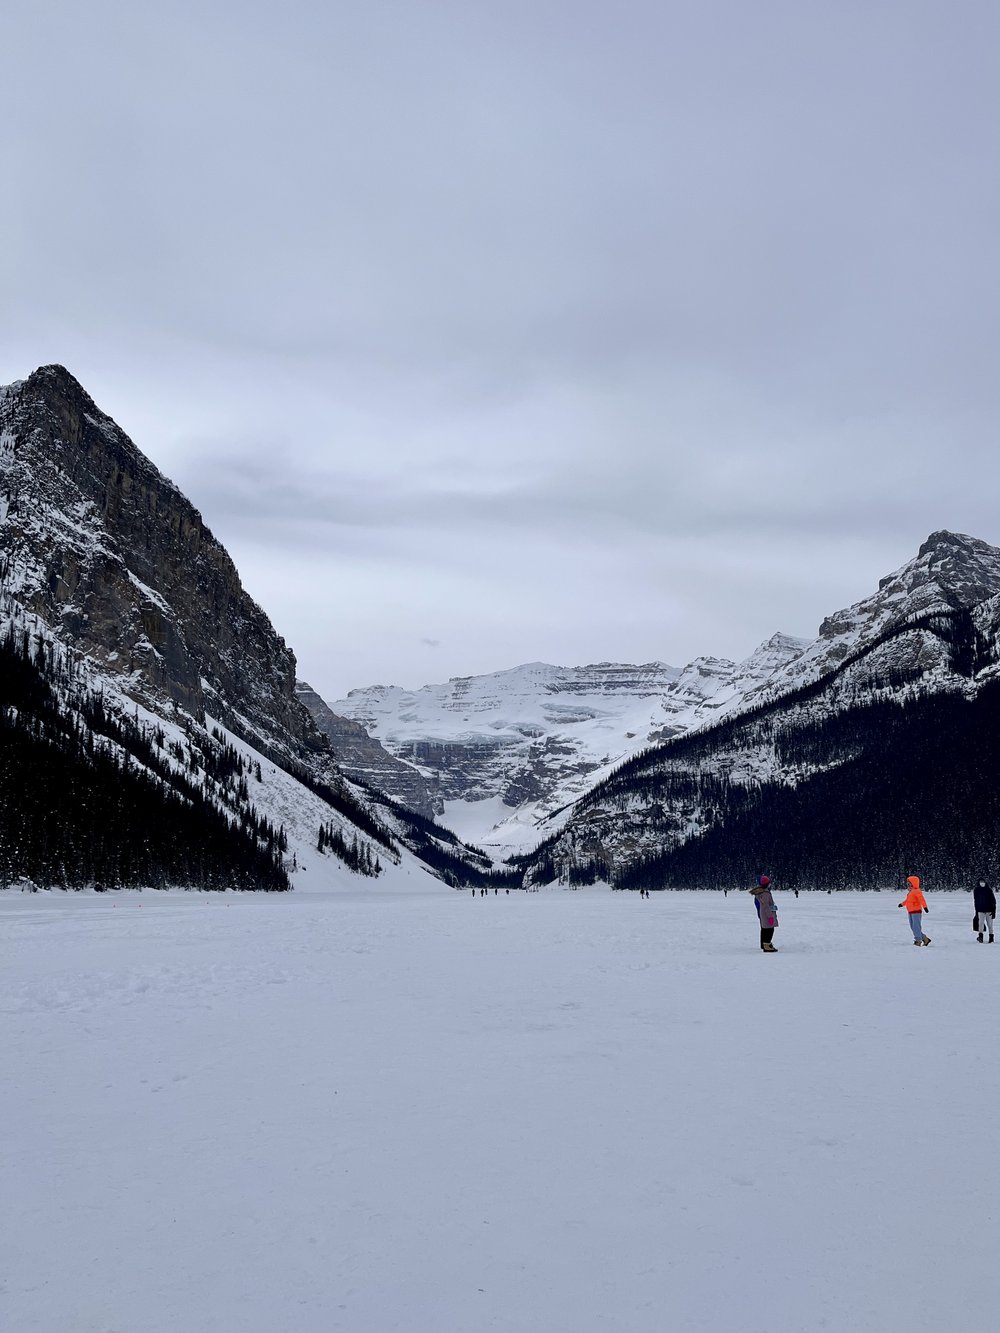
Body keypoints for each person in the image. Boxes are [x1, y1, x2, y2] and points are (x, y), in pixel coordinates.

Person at [898, 875, 930, 945]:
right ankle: (925, 938)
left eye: (909, 884)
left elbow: (922, 900)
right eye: (908, 884)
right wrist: (902, 904)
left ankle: (918, 941)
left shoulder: (917, 891)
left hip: (916, 912)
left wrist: (925, 907)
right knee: (913, 927)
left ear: (913, 883)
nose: (908, 885)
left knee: (916, 927)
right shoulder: (910, 892)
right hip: (910, 912)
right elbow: (907, 901)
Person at [751, 875, 778, 952]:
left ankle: (765, 944)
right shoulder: (765, 893)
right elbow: (766, 906)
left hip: (763, 914)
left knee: (765, 929)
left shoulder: (761, 892)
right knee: (769, 929)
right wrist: (770, 916)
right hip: (766, 915)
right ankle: (766, 944)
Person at [973, 877, 996, 943]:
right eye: (981, 882)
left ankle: (991, 938)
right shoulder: (976, 890)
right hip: (980, 910)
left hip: (989, 910)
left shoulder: (988, 890)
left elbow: (993, 901)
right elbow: (976, 901)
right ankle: (980, 937)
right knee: (980, 924)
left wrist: (993, 910)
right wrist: (976, 911)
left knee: (990, 924)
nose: (982, 883)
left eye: (983, 882)